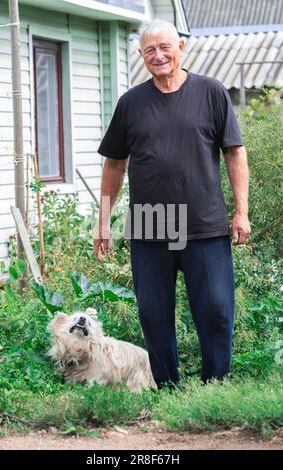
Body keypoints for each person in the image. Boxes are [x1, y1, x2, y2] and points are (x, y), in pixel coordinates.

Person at [94, 19, 251, 389]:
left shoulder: (211, 92)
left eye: (165, 47)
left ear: (181, 48)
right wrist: (104, 222)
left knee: (215, 310)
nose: (159, 55)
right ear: (141, 56)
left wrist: (241, 211)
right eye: (150, 50)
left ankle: (215, 386)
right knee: (154, 314)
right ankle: (167, 388)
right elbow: (114, 163)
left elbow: (234, 152)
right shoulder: (130, 103)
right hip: (151, 225)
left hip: (205, 224)